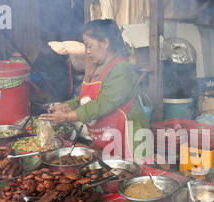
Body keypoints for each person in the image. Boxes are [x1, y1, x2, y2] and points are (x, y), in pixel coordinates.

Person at [39, 19, 150, 160]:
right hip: (106, 140)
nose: (88, 51)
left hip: (130, 141)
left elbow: (102, 104)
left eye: (90, 46)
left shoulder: (121, 69)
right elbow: (86, 100)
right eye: (86, 47)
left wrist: (68, 117)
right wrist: (67, 106)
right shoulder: (93, 67)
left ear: (105, 43)